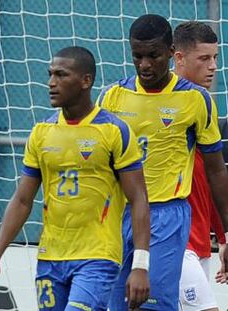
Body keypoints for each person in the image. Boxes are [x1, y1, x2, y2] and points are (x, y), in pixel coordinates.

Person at [0, 46, 151, 310]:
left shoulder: (114, 131)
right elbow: (23, 200)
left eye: (61, 75)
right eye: (50, 74)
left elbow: (138, 197)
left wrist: (140, 265)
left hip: (97, 257)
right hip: (50, 257)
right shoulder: (42, 132)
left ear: (86, 81)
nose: (51, 83)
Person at [97, 14, 228, 311]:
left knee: (153, 304)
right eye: (138, 56)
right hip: (119, 216)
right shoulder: (113, 97)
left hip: (167, 215)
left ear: (171, 53)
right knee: (117, 305)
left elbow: (216, 169)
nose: (145, 64)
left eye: (153, 55)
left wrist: (227, 234)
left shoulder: (196, 100)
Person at [174, 21, 228, 311]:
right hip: (171, 238)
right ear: (179, 58)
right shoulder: (159, 105)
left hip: (199, 240)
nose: (213, 66)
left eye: (215, 58)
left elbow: (213, 175)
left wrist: (223, 236)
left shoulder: (204, 103)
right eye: (204, 59)